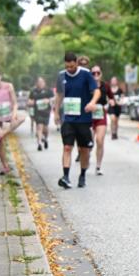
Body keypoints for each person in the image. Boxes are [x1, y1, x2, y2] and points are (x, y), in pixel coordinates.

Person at [54, 52, 100, 189]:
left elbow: (97, 91)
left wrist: (92, 103)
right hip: (68, 118)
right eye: (67, 66)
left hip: (83, 119)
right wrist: (56, 112)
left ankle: (82, 175)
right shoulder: (61, 76)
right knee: (67, 147)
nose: (69, 69)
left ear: (76, 63)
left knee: (84, 150)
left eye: (72, 66)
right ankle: (66, 177)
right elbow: (59, 95)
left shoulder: (85, 74)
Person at [0, 71, 27, 174]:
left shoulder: (9, 86)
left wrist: (13, 116)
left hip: (9, 115)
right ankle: (5, 166)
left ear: (1, 76)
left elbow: (15, 103)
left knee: (22, 118)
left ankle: (2, 134)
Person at [89, 65, 113, 175]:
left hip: (101, 115)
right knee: (89, 142)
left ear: (101, 74)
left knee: (99, 140)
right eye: (93, 73)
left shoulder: (105, 86)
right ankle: (86, 156)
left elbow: (111, 97)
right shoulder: (87, 85)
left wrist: (111, 102)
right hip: (89, 117)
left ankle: (98, 166)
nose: (96, 75)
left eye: (98, 72)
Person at [28, 77, 54, 151]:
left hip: (46, 112)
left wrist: (48, 100)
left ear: (44, 83)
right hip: (37, 112)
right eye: (39, 82)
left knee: (45, 129)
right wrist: (31, 102)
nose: (40, 83)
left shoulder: (48, 90)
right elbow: (29, 101)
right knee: (39, 127)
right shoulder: (33, 91)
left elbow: (54, 98)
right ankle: (39, 143)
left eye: (42, 82)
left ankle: (45, 139)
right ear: (36, 83)